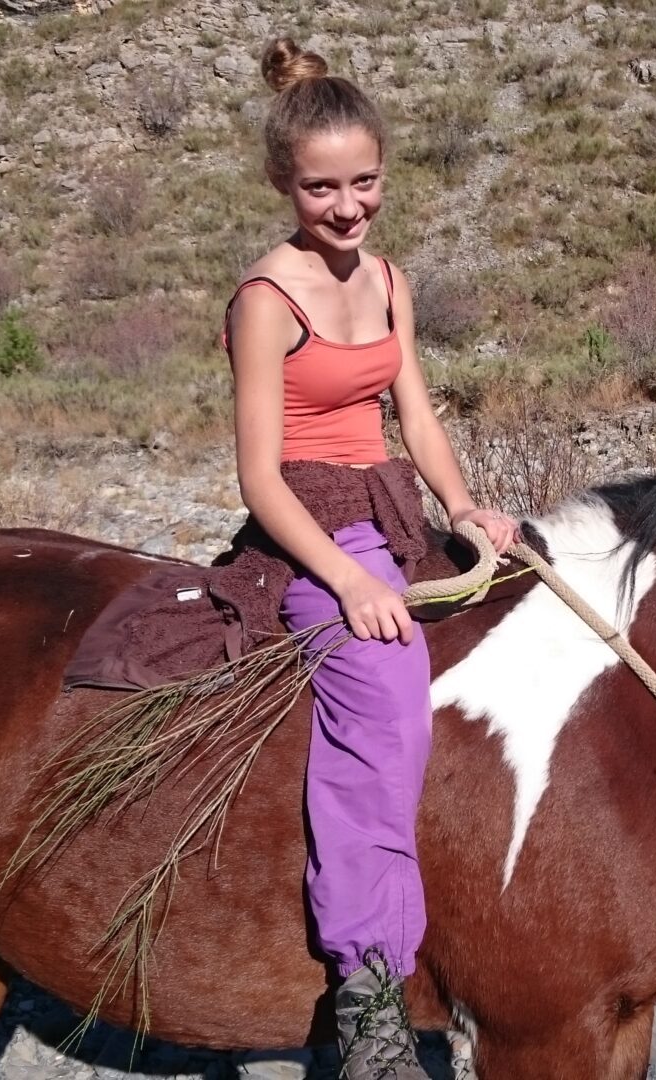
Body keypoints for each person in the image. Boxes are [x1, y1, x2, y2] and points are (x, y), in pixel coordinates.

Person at [221, 36, 518, 1078]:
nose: (346, 208)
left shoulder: (390, 280)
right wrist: (345, 580)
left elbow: (419, 420)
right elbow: (259, 474)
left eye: (363, 184)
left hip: (391, 505)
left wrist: (470, 509)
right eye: (320, 190)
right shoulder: (267, 301)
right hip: (309, 526)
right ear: (281, 183)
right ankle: (367, 993)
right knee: (385, 693)